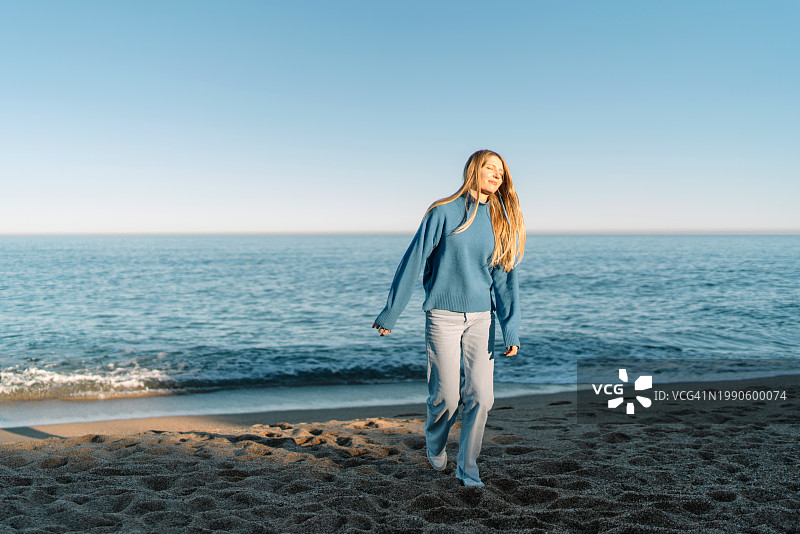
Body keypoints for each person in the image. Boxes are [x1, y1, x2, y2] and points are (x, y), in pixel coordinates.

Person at [372, 149, 525, 487]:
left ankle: (468, 469)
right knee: (447, 398)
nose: (497, 175)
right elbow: (413, 261)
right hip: (442, 316)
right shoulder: (443, 212)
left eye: (501, 171)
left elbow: (504, 279)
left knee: (482, 397)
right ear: (474, 170)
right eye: (490, 167)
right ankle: (435, 441)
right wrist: (391, 312)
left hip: (481, 319)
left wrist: (509, 329)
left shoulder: (499, 220)